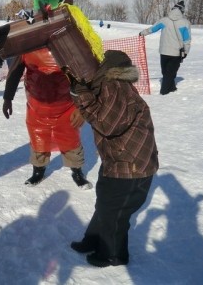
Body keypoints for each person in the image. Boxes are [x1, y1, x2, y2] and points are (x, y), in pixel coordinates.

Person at [69, 50, 159, 268]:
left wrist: (83, 95)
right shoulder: (114, 86)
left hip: (132, 166)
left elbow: (107, 124)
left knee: (114, 214)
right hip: (119, 159)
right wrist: (82, 94)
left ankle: (113, 254)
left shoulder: (116, 86)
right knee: (105, 204)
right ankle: (93, 240)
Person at [2, 48, 92, 188]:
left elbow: (83, 77)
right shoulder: (27, 47)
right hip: (37, 107)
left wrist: (82, 108)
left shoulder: (65, 45)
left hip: (66, 106)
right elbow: (14, 73)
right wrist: (8, 98)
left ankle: (77, 171)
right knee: (38, 138)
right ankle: (38, 171)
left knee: (71, 139)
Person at [139, 0, 191, 95]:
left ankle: (172, 88)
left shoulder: (164, 20)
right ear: (182, 11)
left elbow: (153, 29)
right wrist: (186, 51)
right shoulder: (185, 23)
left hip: (163, 52)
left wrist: (142, 33)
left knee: (165, 72)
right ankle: (164, 92)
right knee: (170, 73)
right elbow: (187, 39)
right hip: (176, 53)